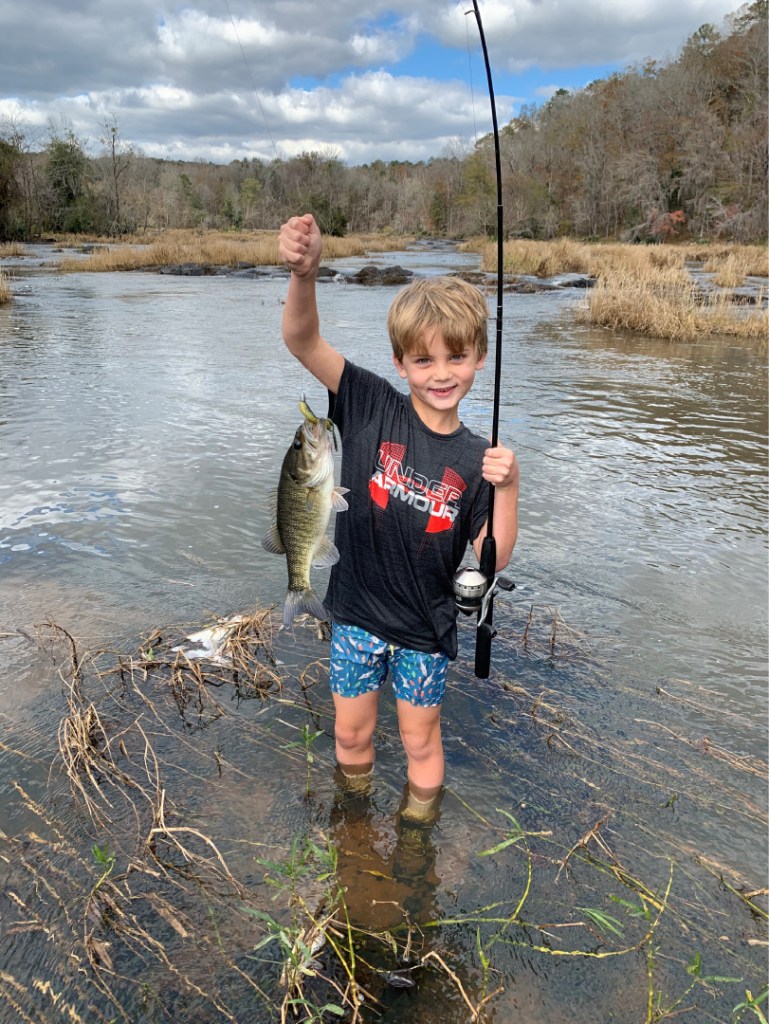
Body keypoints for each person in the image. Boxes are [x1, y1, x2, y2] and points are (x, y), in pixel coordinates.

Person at [278, 213, 519, 822]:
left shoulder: (476, 457)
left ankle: (416, 841)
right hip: (355, 614)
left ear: (479, 358)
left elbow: (496, 555)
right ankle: (353, 826)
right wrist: (304, 274)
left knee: (420, 742)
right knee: (351, 736)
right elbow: (302, 340)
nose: (441, 373)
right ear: (400, 362)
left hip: (423, 630)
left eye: (456, 357)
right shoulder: (367, 406)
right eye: (424, 360)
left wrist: (509, 487)